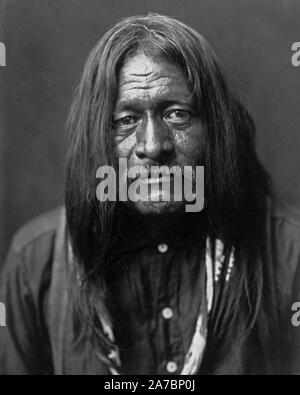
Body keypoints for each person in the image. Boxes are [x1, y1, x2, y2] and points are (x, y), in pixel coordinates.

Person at [1, 13, 300, 375]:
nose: (153, 146)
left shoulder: (288, 250)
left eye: (177, 114)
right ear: (97, 139)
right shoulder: (36, 262)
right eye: (125, 120)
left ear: (215, 129)